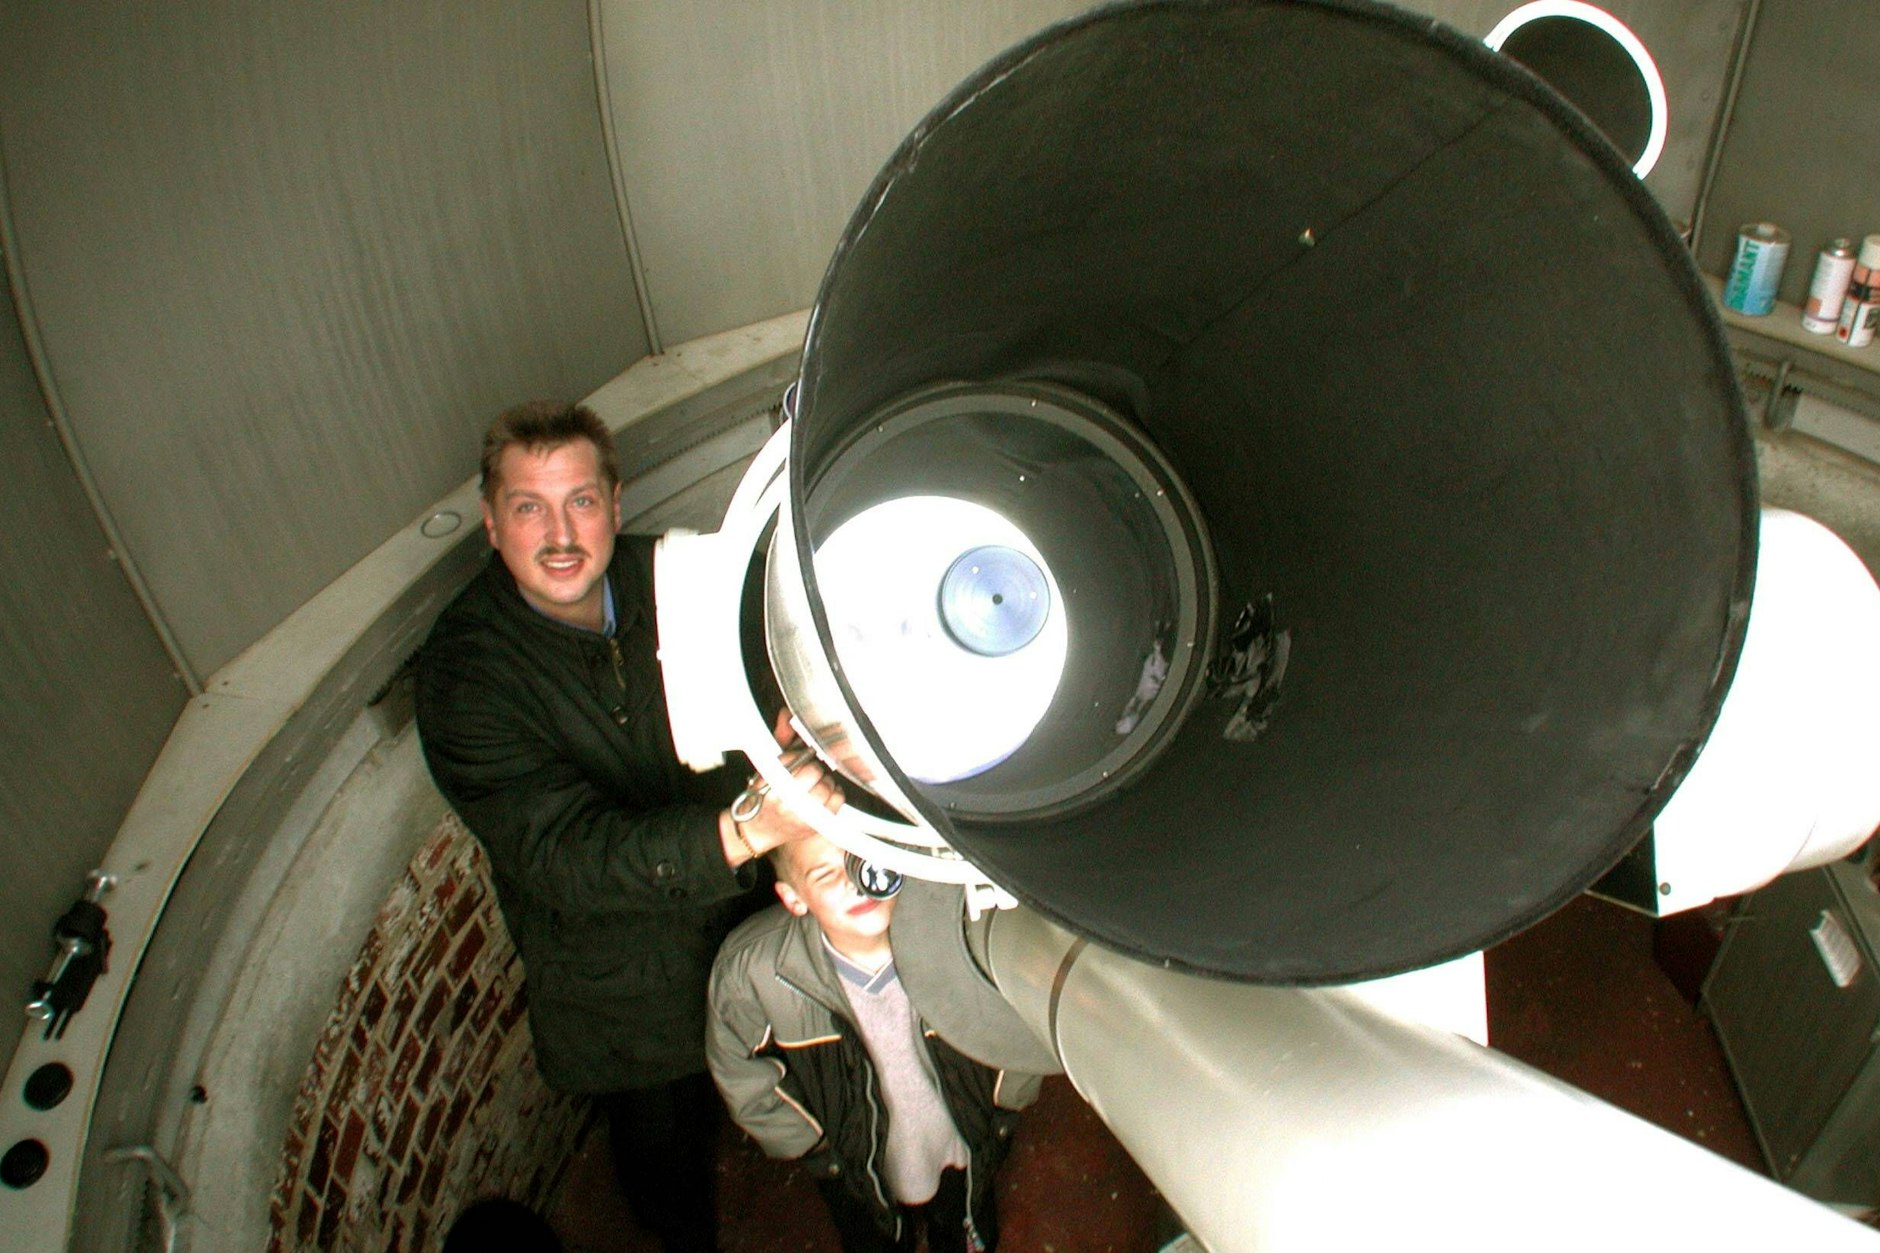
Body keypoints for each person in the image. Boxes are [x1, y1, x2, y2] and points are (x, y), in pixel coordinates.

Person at [415, 400, 840, 1252]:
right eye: (530, 506)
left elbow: (774, 671)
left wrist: (794, 717)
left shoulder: (677, 582)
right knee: (670, 1174)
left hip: (742, 931)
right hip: (625, 999)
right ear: (492, 523)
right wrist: (738, 832)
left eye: (579, 500)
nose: (560, 533)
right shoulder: (465, 676)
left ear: (615, 501)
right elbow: (563, 854)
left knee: (814, 1098)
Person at [707, 834, 1042, 1252]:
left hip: (961, 1138)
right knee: (874, 1237)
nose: (854, 882)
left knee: (960, 1217)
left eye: (862, 860)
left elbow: (1021, 1023)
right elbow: (739, 1068)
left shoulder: (963, 932)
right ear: (794, 898)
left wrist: (1006, 1106)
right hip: (852, 1162)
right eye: (826, 874)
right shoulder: (755, 973)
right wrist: (810, 1145)